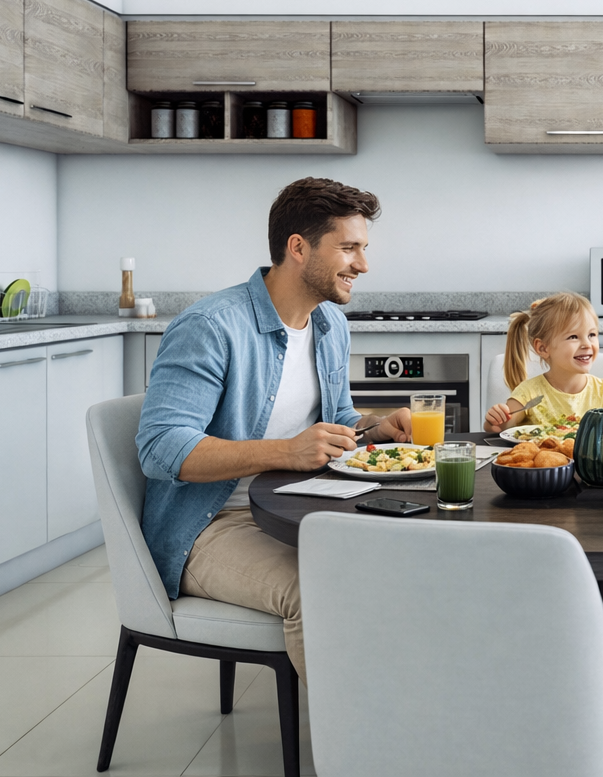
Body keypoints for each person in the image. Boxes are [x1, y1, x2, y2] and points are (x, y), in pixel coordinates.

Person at [135, 177, 411, 685]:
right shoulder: (212, 326)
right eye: (349, 248)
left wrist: (377, 429)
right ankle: (354, 749)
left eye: (364, 248)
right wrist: (284, 452)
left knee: (408, 564)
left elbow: (338, 420)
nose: (363, 265)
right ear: (299, 248)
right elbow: (160, 448)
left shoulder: (330, 324)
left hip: (300, 506)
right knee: (320, 590)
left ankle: (407, 716)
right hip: (212, 524)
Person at [482, 293, 603, 432]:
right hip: (542, 466)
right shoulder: (528, 393)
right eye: (573, 337)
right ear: (543, 348)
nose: (587, 344)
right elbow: (501, 427)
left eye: (592, 334)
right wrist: (495, 420)